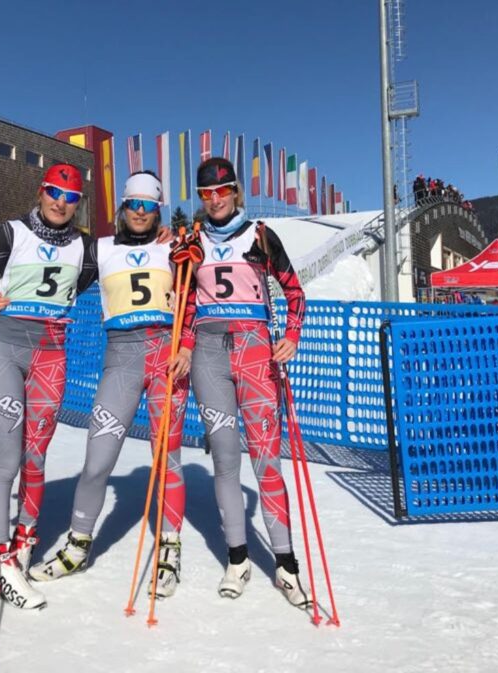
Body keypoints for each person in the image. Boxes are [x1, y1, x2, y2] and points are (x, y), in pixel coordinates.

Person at [24, 171, 194, 599]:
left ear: (158, 209)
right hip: (120, 359)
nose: (140, 211)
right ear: (122, 206)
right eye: (133, 203)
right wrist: (12, 295)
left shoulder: (172, 248)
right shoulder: (98, 249)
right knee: (97, 459)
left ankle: (169, 548)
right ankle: (79, 544)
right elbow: (57, 277)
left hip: (165, 357)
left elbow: (199, 294)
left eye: (149, 204)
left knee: (167, 458)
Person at [0, 163, 97, 610]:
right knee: (7, 457)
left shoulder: (85, 246)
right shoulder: (11, 232)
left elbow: (93, 278)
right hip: (6, 350)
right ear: (41, 191)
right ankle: (1, 564)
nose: (60, 203)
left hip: (52, 355)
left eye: (70, 197)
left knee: (37, 456)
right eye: (54, 192)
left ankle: (23, 547)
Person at [187, 157, 311, 610]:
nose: (215, 199)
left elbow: (294, 291)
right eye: (205, 194)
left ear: (236, 192)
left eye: (222, 191)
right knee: (224, 458)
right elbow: (183, 302)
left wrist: (292, 337)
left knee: (266, 458)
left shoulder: (259, 235)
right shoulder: (190, 240)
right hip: (208, 354)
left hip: (255, 350)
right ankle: (237, 559)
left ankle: (286, 564)